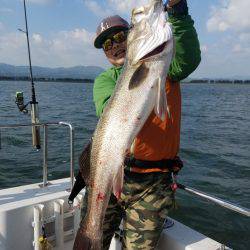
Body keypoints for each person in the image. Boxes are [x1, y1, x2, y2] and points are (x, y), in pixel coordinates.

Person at [78, 0, 201, 249]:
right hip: (109, 173)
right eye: (107, 44)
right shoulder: (103, 81)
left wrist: (178, 12)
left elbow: (189, 58)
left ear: (132, 37)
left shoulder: (168, 67)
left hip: (152, 184)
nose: (115, 47)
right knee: (90, 236)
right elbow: (107, 112)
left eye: (121, 36)